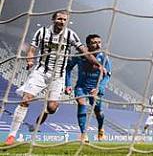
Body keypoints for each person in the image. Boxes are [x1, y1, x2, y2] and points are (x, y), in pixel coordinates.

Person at [4, 10, 102, 146]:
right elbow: (32, 49)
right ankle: (11, 135)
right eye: (60, 19)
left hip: (58, 76)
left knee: (51, 108)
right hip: (41, 72)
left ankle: (50, 108)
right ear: (53, 19)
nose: (62, 21)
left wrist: (96, 63)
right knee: (26, 98)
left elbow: (84, 51)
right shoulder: (42, 32)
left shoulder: (70, 34)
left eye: (64, 20)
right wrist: (30, 60)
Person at [65, 34, 112, 143]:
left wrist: (99, 88)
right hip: (81, 87)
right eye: (94, 42)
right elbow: (68, 68)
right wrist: (68, 84)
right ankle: (83, 134)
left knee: (98, 112)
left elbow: (107, 75)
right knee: (82, 104)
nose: (98, 44)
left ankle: (100, 128)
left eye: (99, 42)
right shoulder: (80, 55)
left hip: (95, 89)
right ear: (88, 45)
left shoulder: (104, 57)